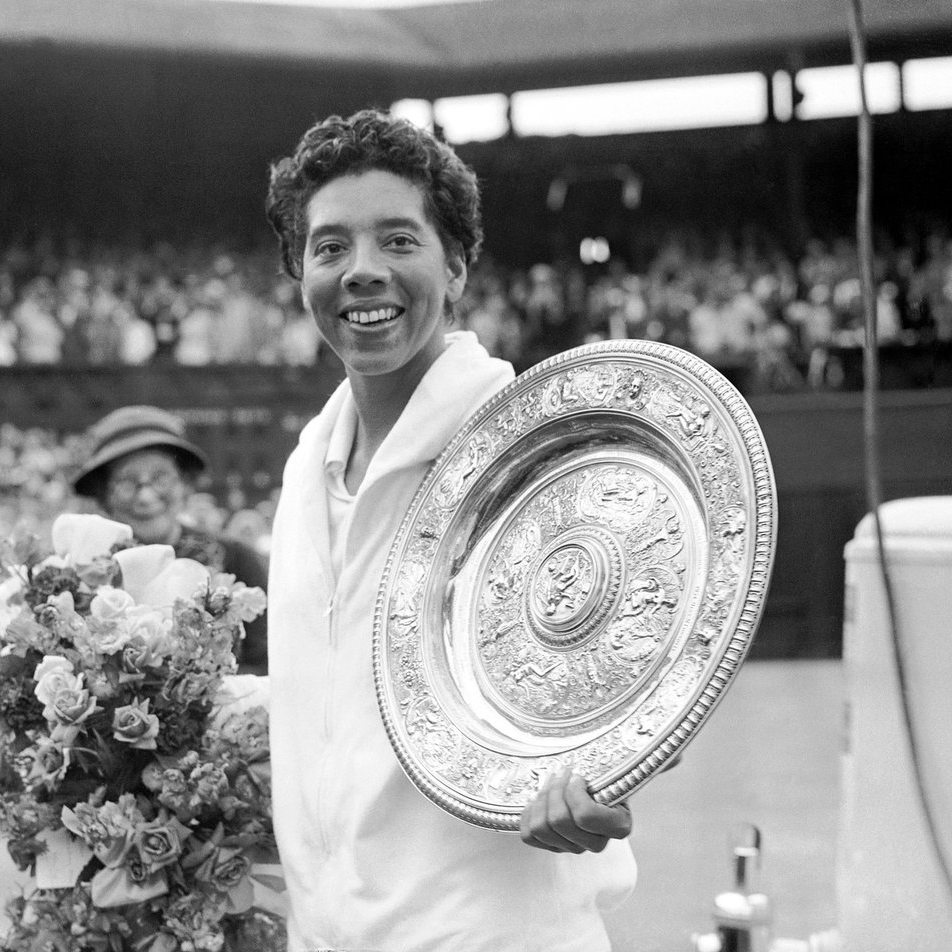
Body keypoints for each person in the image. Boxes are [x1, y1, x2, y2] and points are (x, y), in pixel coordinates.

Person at [263, 110, 635, 952]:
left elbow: (628, 669)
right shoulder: (305, 468)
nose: (363, 270)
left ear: (457, 265)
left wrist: (605, 777)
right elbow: (326, 702)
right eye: (330, 247)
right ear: (299, 272)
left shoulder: (533, 451)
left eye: (399, 240)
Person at [71, 404, 268, 673]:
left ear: (185, 483)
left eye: (161, 478)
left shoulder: (236, 559)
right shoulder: (83, 573)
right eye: (127, 483)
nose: (146, 497)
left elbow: (266, 663)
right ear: (104, 495)